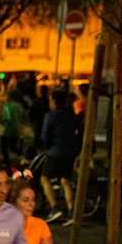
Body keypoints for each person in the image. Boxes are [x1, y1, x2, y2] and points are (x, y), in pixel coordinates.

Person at [39, 90, 81, 223]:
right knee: (65, 180)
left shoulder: (50, 115)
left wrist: (46, 146)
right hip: (70, 152)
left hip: (55, 151)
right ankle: (71, 211)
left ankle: (54, 208)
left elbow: (45, 135)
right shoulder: (71, 114)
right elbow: (79, 130)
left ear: (53, 101)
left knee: (44, 178)